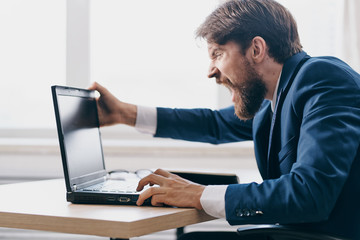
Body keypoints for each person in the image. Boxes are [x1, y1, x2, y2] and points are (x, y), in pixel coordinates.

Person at [89, 0, 360, 239]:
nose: (211, 72)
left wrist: (198, 194)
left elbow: (310, 194)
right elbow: (213, 124)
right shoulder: (270, 104)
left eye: (217, 53)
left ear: (256, 49)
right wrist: (125, 114)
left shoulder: (321, 78)